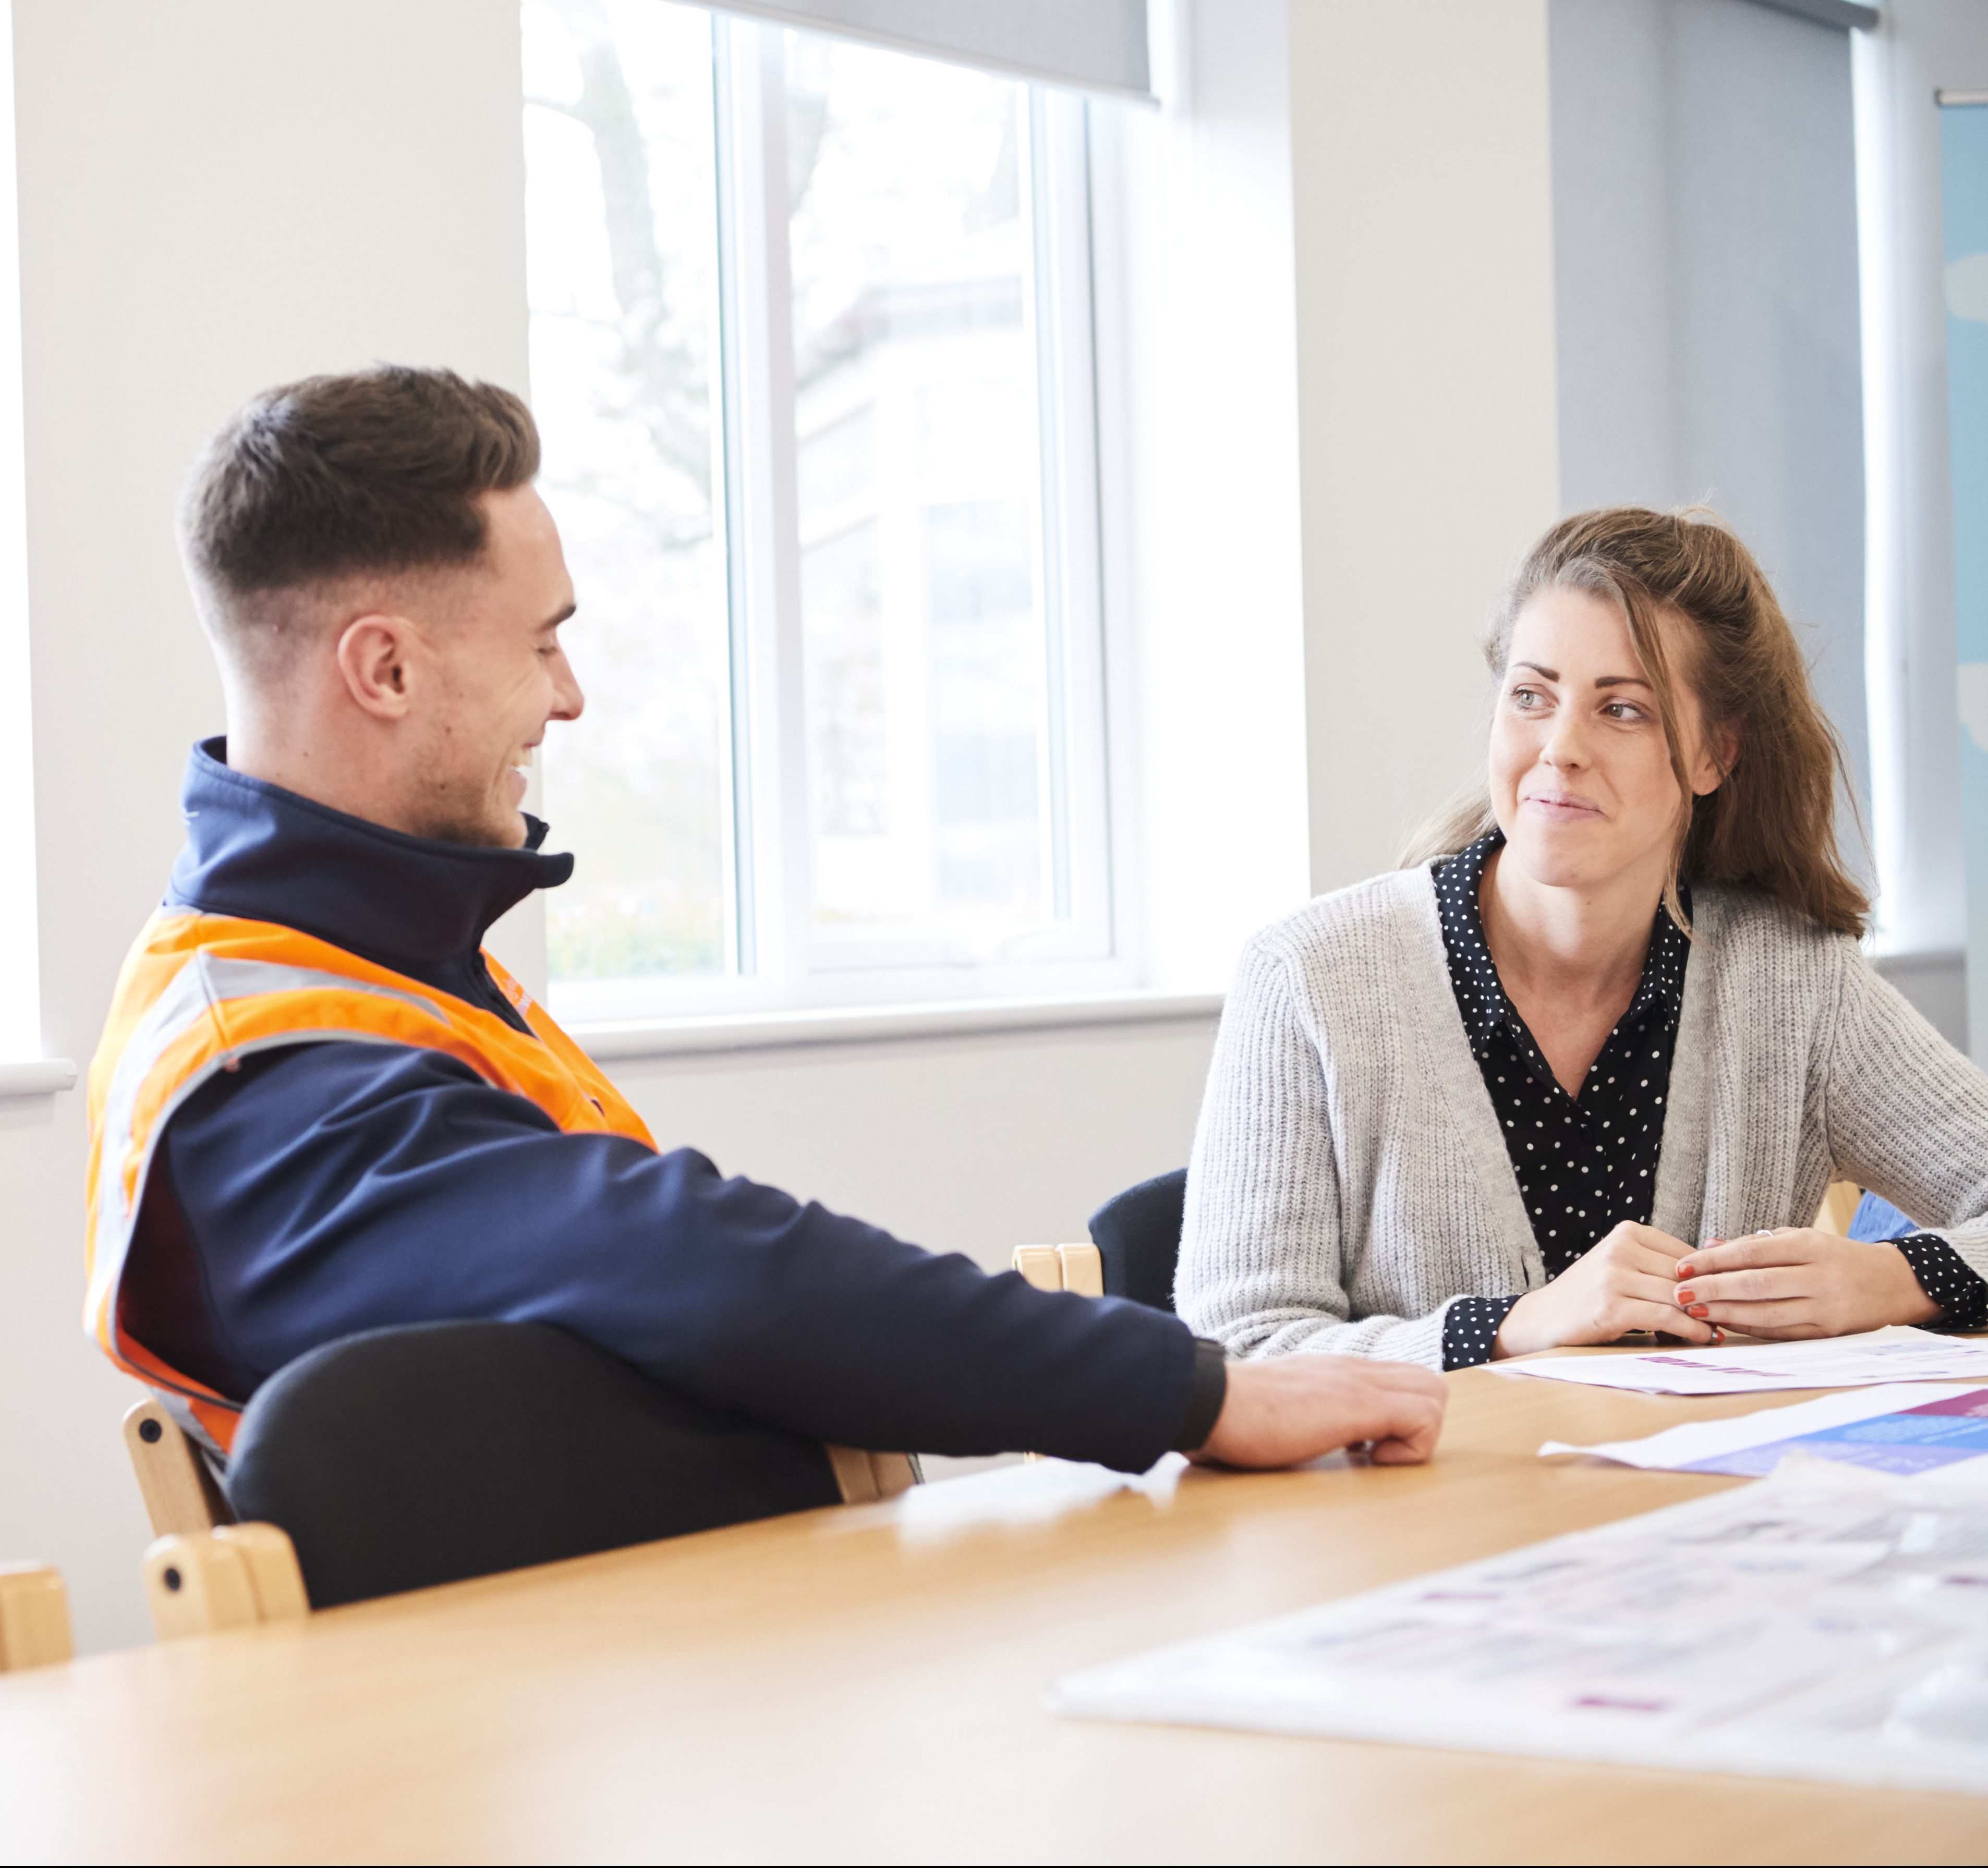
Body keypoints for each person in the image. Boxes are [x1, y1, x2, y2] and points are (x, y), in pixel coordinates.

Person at [84, 365, 1446, 1476]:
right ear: (382, 665)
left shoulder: (365, 962)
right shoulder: (271, 1084)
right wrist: (1194, 1388)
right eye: (543, 639)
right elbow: (697, 1264)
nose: (568, 698)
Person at [1177, 506, 1988, 1370]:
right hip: (1436, 1505)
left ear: (1715, 754)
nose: (1559, 748)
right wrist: (1508, 1325)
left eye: (1623, 709)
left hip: (1712, 1499)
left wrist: (1894, 1277)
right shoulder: (1308, 976)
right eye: (1532, 696)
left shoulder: (1793, 981)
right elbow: (1237, 1351)